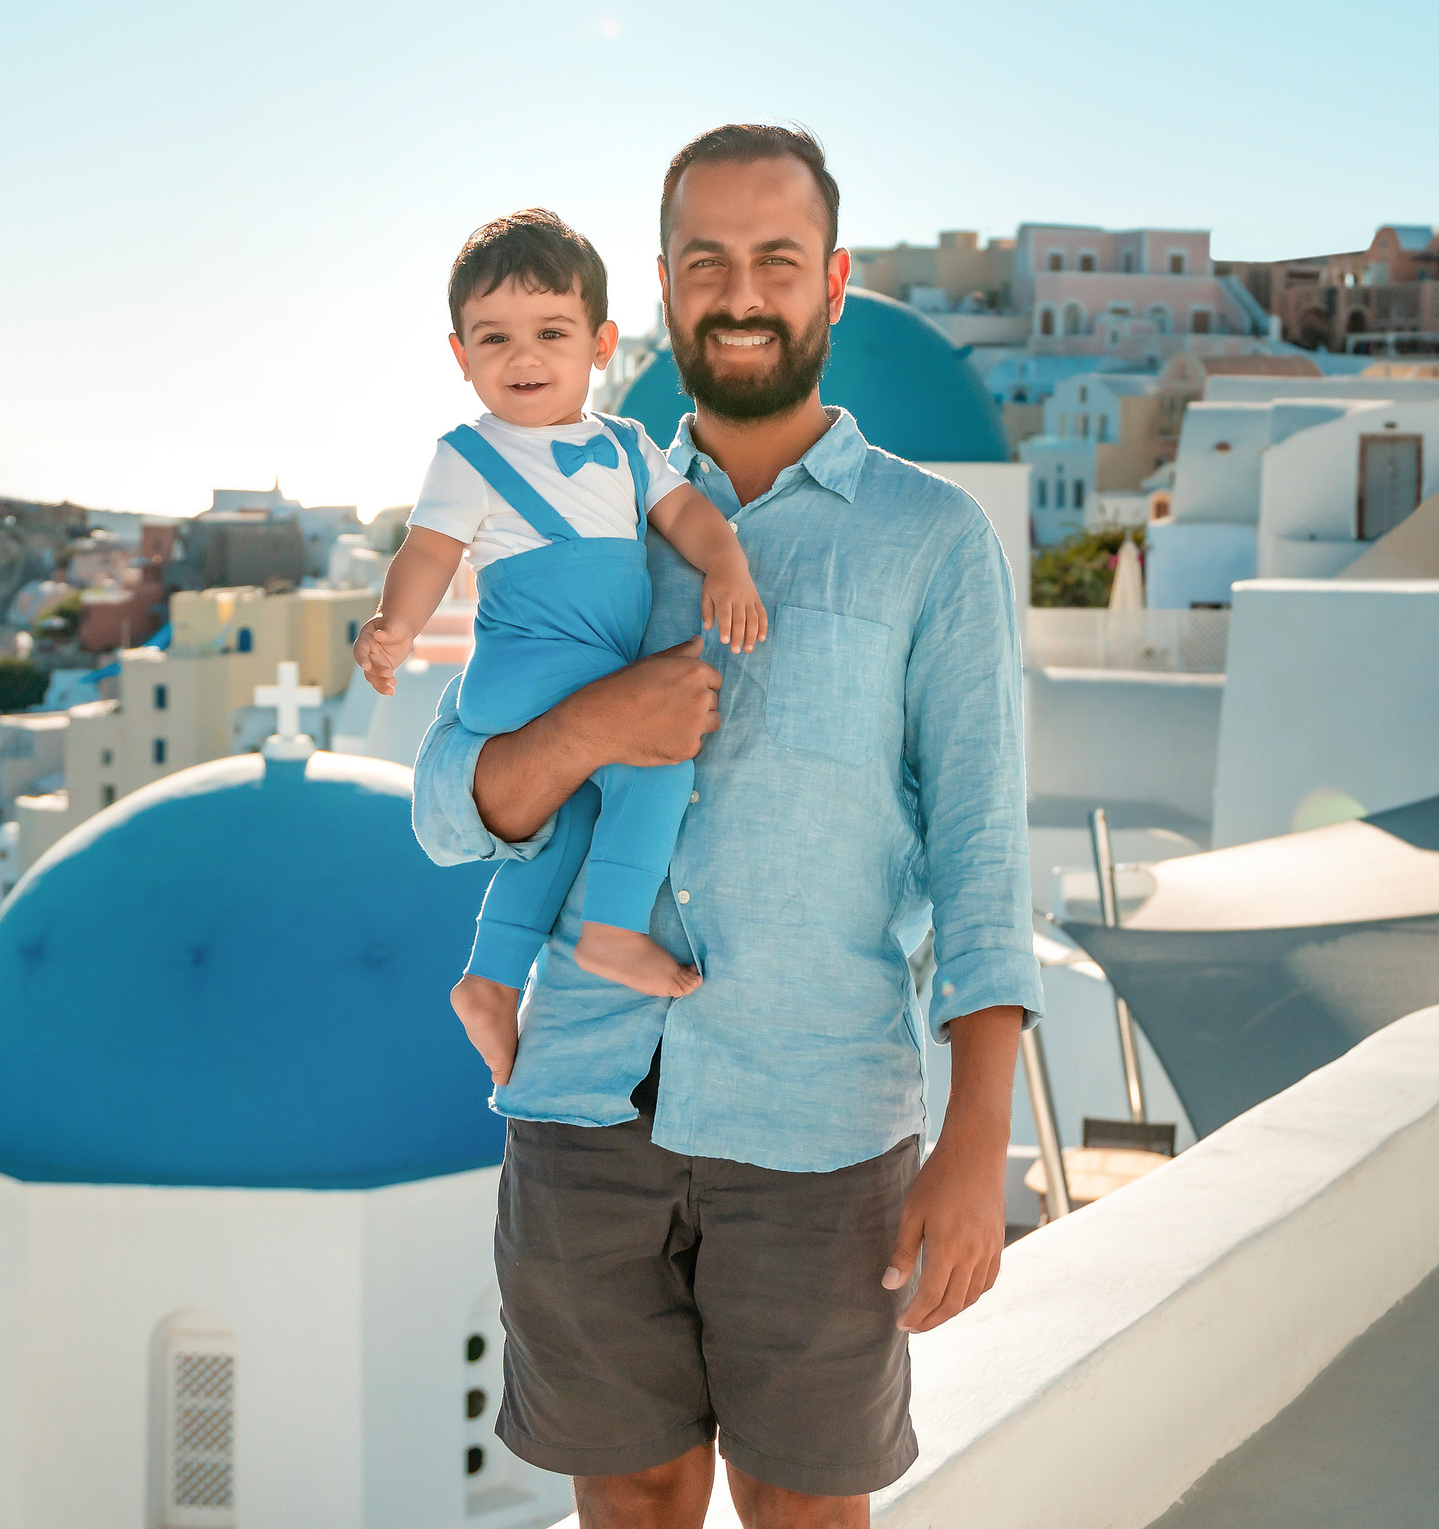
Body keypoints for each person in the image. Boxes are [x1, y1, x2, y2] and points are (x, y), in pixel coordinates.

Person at [412, 124, 1039, 1529]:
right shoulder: (567, 506)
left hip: (816, 1117)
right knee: (627, 1497)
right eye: (708, 260)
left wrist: (975, 1140)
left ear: (832, 281)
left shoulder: (928, 538)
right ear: (663, 287)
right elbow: (453, 811)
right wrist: (592, 724)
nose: (741, 290)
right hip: (581, 1096)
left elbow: (984, 849)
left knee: (804, 1507)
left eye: (775, 257)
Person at [356, 209, 769, 1085]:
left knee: (569, 818)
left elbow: (687, 513)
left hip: (574, 671)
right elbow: (427, 549)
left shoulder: (624, 445)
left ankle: (492, 980)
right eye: (493, 338)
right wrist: (396, 623)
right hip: (528, 672)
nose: (523, 356)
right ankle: (613, 930)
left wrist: (726, 560)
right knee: (659, 759)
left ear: (601, 343)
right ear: (460, 356)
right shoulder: (470, 453)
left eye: (550, 331)